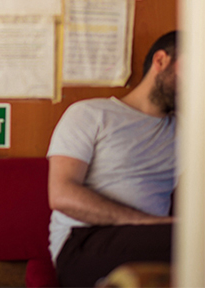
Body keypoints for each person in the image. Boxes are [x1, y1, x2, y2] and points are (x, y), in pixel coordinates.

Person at [46, 30, 178, 287]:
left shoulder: (188, 131)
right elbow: (61, 194)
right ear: (161, 60)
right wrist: (150, 223)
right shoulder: (90, 114)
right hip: (82, 241)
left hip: (154, 239)